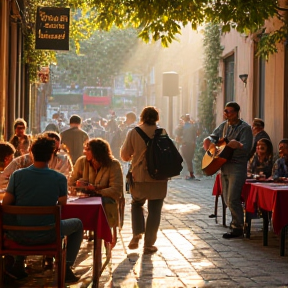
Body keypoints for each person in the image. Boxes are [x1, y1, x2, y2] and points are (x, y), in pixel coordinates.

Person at [2, 135, 83, 283]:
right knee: (78, 224)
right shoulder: (59, 178)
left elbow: (6, 204)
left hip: (19, 235)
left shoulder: (17, 176)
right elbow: (62, 203)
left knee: (16, 218)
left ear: (31, 152)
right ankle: (66, 266)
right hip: (49, 234)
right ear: (52, 155)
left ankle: (16, 263)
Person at [120, 106, 168, 254]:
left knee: (136, 204)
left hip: (139, 176)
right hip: (159, 177)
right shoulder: (162, 132)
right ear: (156, 118)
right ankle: (148, 244)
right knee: (155, 210)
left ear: (142, 117)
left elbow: (125, 156)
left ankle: (137, 233)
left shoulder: (134, 132)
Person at [203, 101, 253, 239]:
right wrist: (209, 140)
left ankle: (237, 227)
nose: (226, 114)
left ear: (236, 113)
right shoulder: (224, 125)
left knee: (233, 198)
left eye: (229, 111)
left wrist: (238, 145)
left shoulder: (245, 128)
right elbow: (214, 135)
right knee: (226, 198)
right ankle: (236, 224)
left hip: (237, 166)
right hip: (223, 164)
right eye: (225, 111)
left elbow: (247, 147)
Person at [0, 131, 73, 189]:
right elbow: (2, 180)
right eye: (52, 150)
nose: (55, 153)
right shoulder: (20, 162)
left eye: (57, 150)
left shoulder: (61, 160)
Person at [179, 114, 198, 180]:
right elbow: (195, 135)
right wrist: (194, 143)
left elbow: (178, 134)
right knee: (189, 159)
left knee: (187, 159)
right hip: (191, 144)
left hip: (185, 144)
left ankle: (190, 173)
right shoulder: (192, 126)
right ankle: (190, 173)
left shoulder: (183, 127)